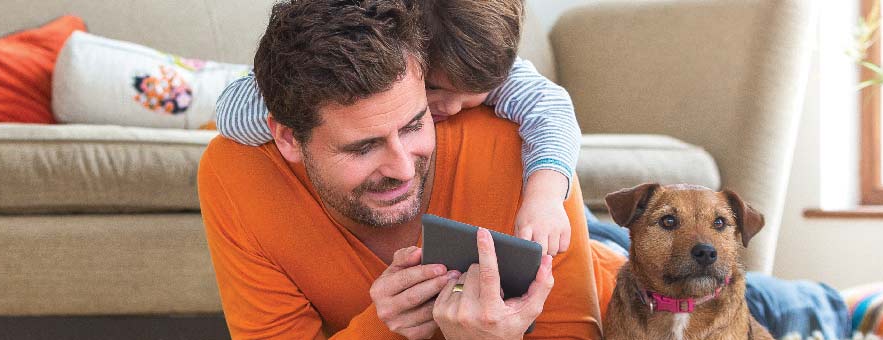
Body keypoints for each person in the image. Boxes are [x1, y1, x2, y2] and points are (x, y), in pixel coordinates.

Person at [198, 0, 617, 338]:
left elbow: (551, 111)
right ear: (287, 137)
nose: (401, 169)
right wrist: (382, 329)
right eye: (363, 147)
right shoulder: (239, 165)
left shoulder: (520, 137)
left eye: (417, 123)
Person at [214, 0, 581, 256]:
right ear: (404, 51)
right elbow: (230, 116)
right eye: (434, 90)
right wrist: (310, 90)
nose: (452, 108)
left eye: (475, 94)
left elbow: (552, 110)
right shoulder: (385, 50)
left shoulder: (476, 61)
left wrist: (544, 198)